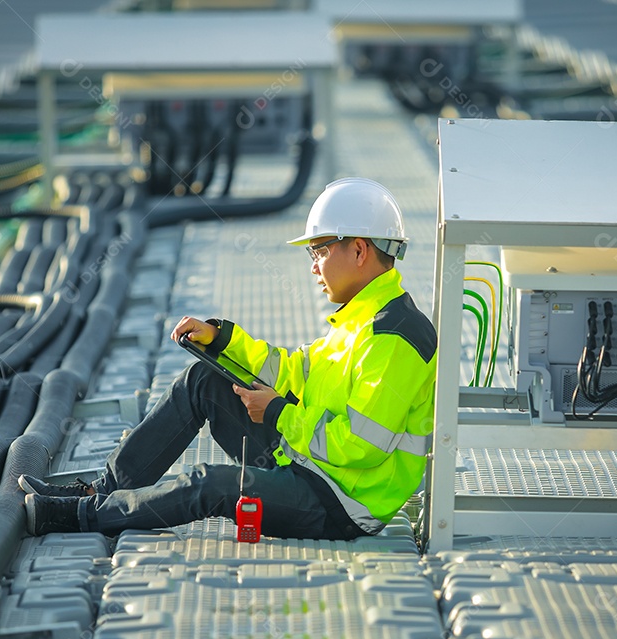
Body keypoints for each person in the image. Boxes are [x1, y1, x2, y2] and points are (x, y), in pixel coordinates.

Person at [21, 177, 437, 540]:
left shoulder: (395, 337)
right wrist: (221, 340)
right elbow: (292, 372)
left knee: (211, 484)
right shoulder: (361, 318)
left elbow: (361, 447)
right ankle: (105, 489)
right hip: (310, 463)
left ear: (360, 251)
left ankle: (80, 516)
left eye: (320, 251)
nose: (313, 267)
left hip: (340, 503)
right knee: (203, 381)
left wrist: (276, 414)